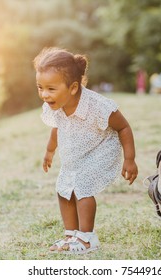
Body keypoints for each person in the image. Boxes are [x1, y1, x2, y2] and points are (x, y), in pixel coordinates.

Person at [34, 47, 138, 254]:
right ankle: (71, 235)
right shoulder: (55, 105)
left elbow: (124, 127)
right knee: (63, 188)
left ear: (73, 88)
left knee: (82, 185)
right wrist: (49, 151)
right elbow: (57, 127)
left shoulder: (98, 106)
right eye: (40, 87)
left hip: (102, 150)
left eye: (51, 89)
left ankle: (87, 238)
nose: (44, 95)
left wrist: (130, 159)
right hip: (77, 154)